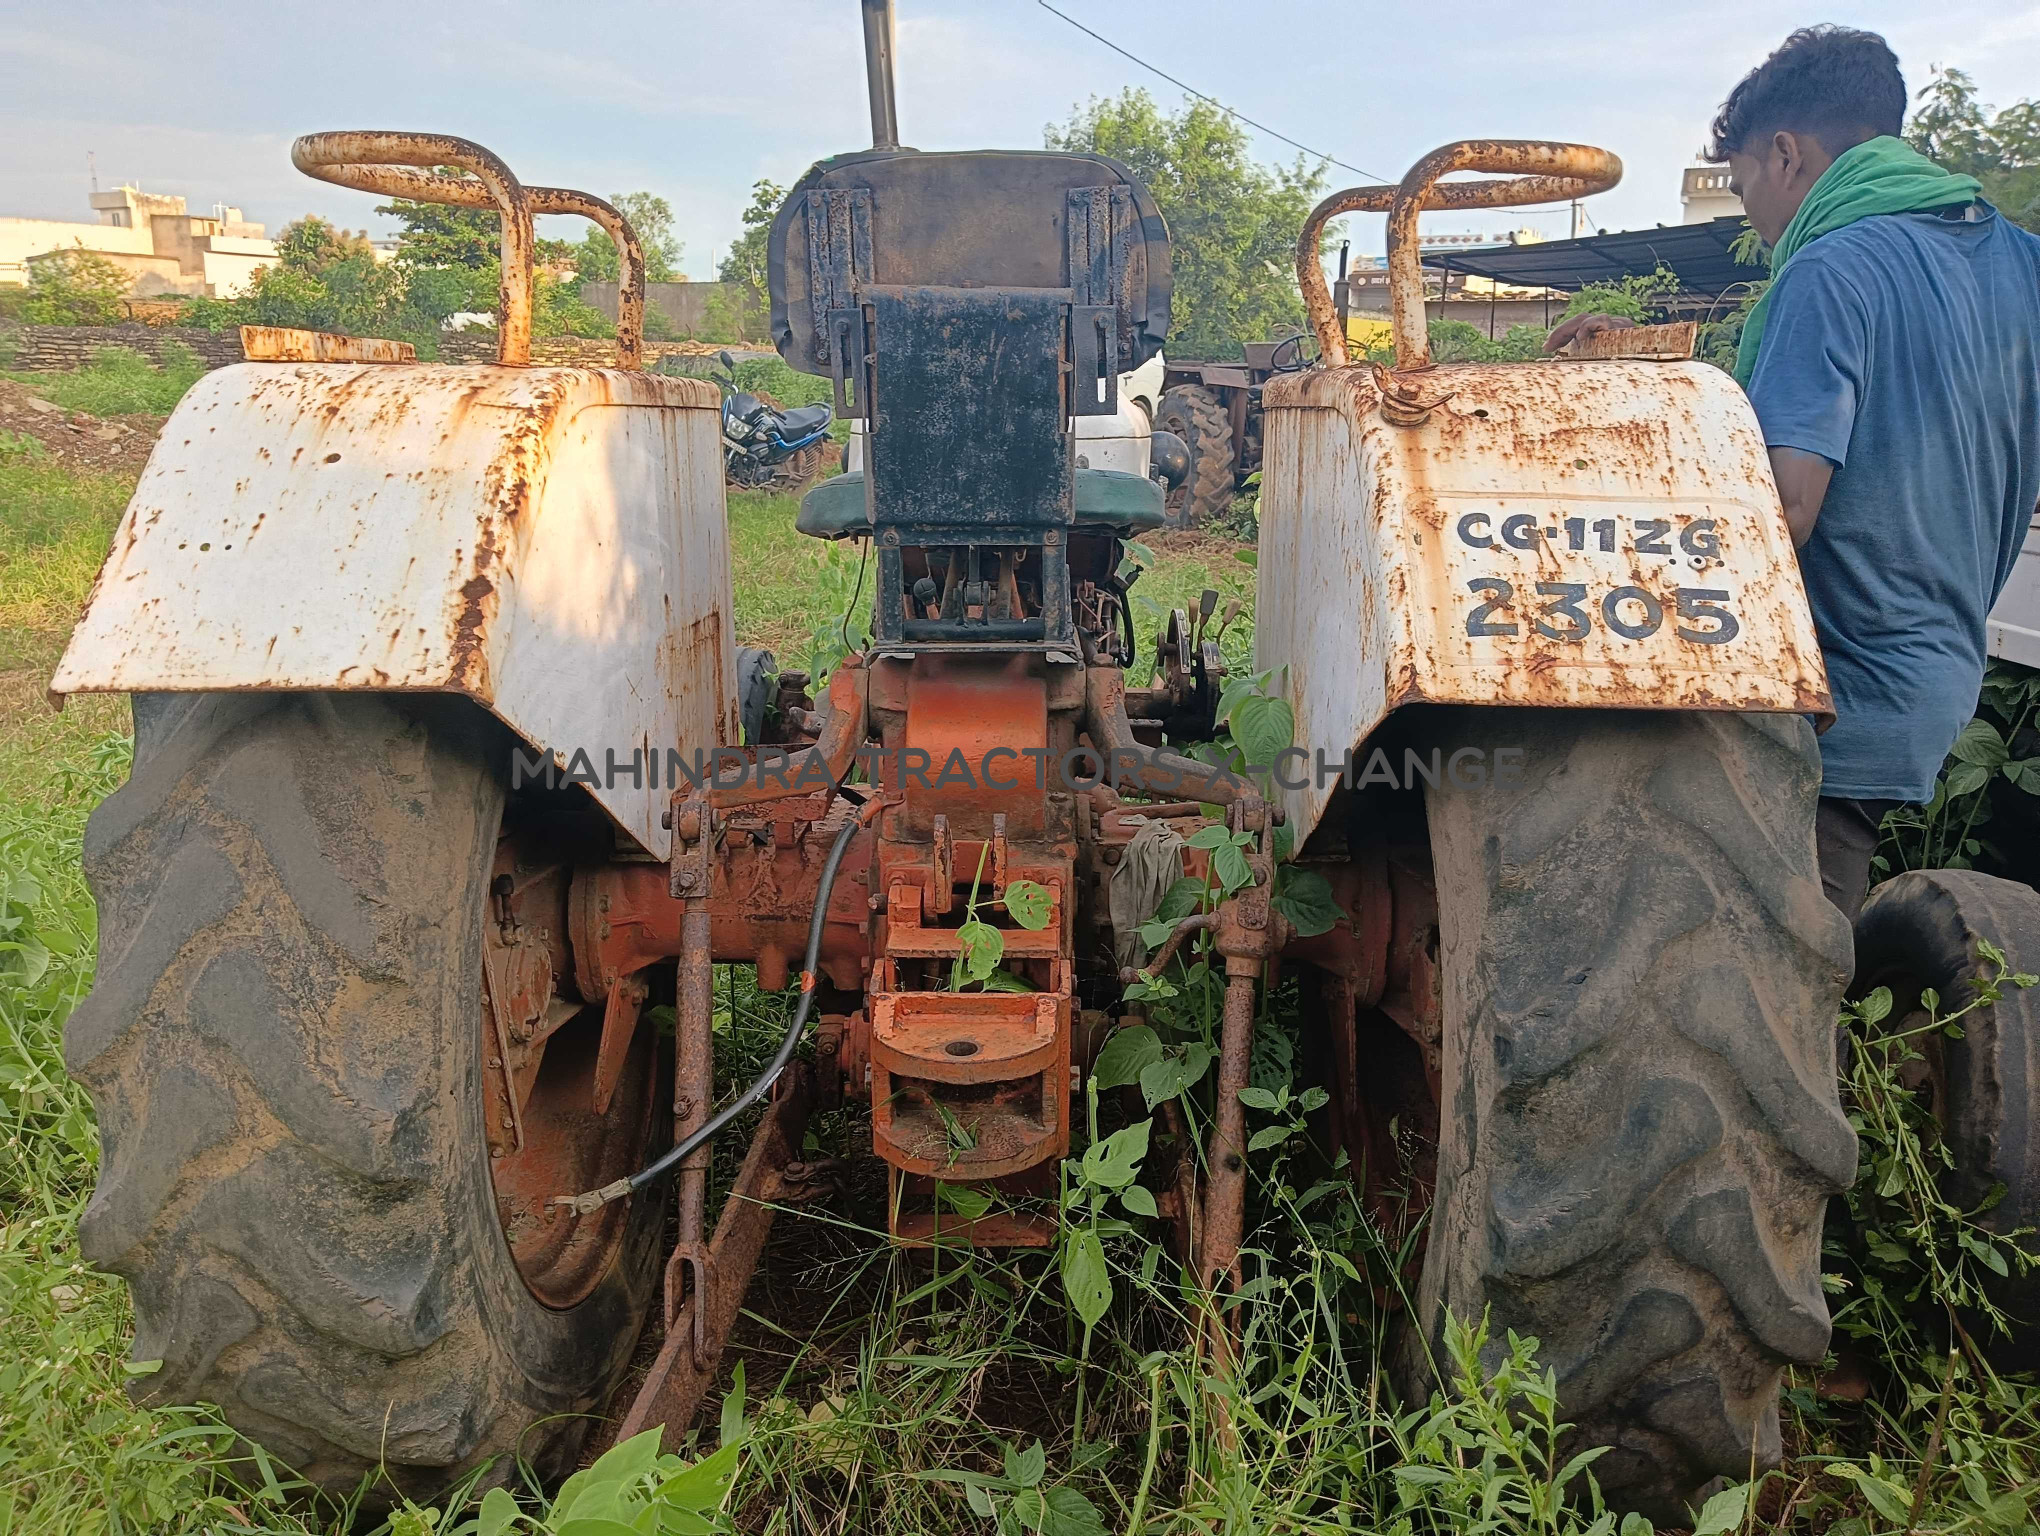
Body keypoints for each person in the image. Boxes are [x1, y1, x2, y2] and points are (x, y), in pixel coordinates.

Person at [1550, 26, 2040, 922]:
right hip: (1935, 675)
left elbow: (1783, 507)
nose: (1752, 220)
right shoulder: (2023, 266)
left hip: (1821, 694)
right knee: (1813, 950)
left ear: (1785, 154)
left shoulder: (1830, 269)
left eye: (1741, 189)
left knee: (1756, 983)